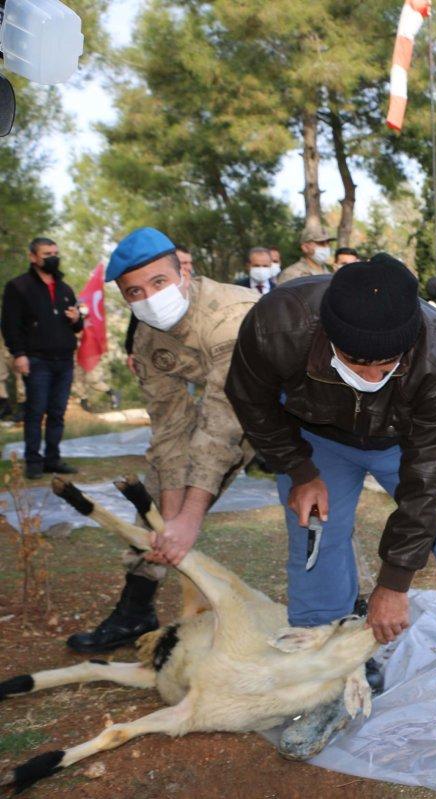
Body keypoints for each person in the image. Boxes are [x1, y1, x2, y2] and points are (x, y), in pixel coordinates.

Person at [227, 255, 436, 758]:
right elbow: (249, 399)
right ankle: (330, 689)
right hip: (318, 437)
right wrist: (299, 470)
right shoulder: (279, 323)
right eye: (356, 362)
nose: (370, 375)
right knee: (314, 542)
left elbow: (427, 480)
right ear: (329, 337)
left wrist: (394, 583)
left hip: (411, 441)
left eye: (385, 366)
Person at [65, 227, 258, 653]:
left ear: (183, 274)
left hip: (297, 412)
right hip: (230, 408)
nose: (149, 297)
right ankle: (136, 611)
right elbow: (170, 427)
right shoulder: (149, 336)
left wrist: (187, 520)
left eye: (158, 282)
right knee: (154, 492)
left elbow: (221, 423)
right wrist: (166, 521)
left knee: (317, 509)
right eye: (134, 292)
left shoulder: (230, 315)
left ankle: (346, 619)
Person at [1, 237, 84, 478]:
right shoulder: (18, 287)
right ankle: (33, 462)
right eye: (47, 254)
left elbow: (77, 327)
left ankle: (52, 459)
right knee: (35, 412)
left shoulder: (65, 289)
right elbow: (10, 325)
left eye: (55, 253)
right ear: (33, 257)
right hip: (36, 360)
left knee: (58, 412)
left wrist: (76, 319)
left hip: (64, 360)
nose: (52, 258)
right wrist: (19, 354)